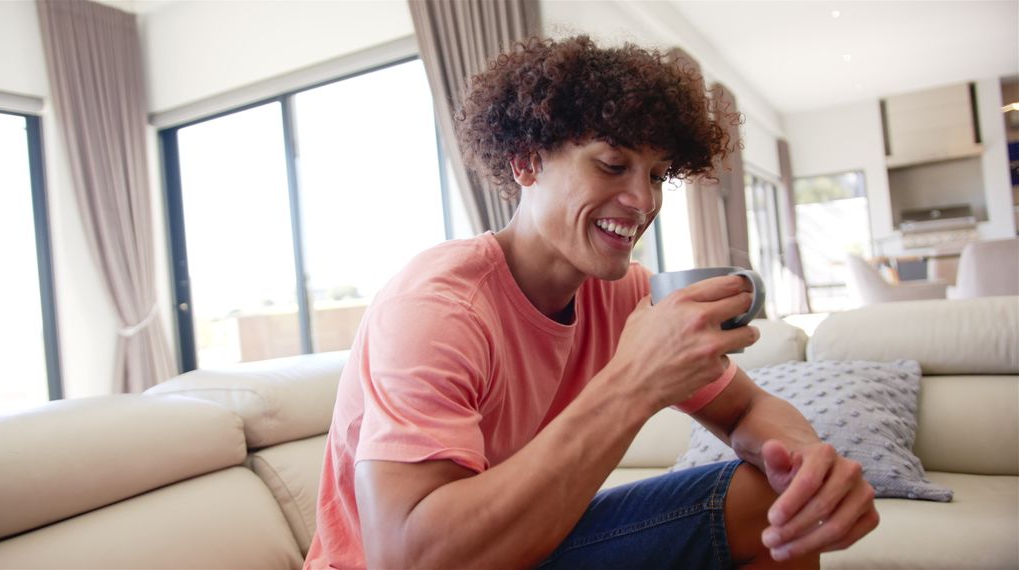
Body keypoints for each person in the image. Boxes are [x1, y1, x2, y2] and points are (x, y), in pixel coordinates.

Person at [303, 35, 878, 569]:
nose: (642, 200)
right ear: (526, 161)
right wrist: (634, 383)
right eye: (612, 165)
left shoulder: (625, 294)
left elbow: (748, 410)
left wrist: (810, 465)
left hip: (534, 547)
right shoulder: (438, 306)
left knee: (778, 498)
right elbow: (407, 555)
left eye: (656, 175)